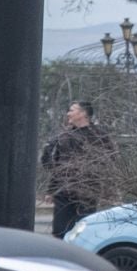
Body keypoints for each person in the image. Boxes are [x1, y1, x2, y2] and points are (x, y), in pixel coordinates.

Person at [41, 101, 116, 238]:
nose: (68, 113)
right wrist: (51, 190)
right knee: (59, 231)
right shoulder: (63, 137)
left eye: (72, 110)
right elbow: (56, 166)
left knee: (84, 232)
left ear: (83, 114)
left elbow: (110, 162)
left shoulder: (100, 137)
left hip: (87, 193)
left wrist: (106, 190)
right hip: (64, 192)